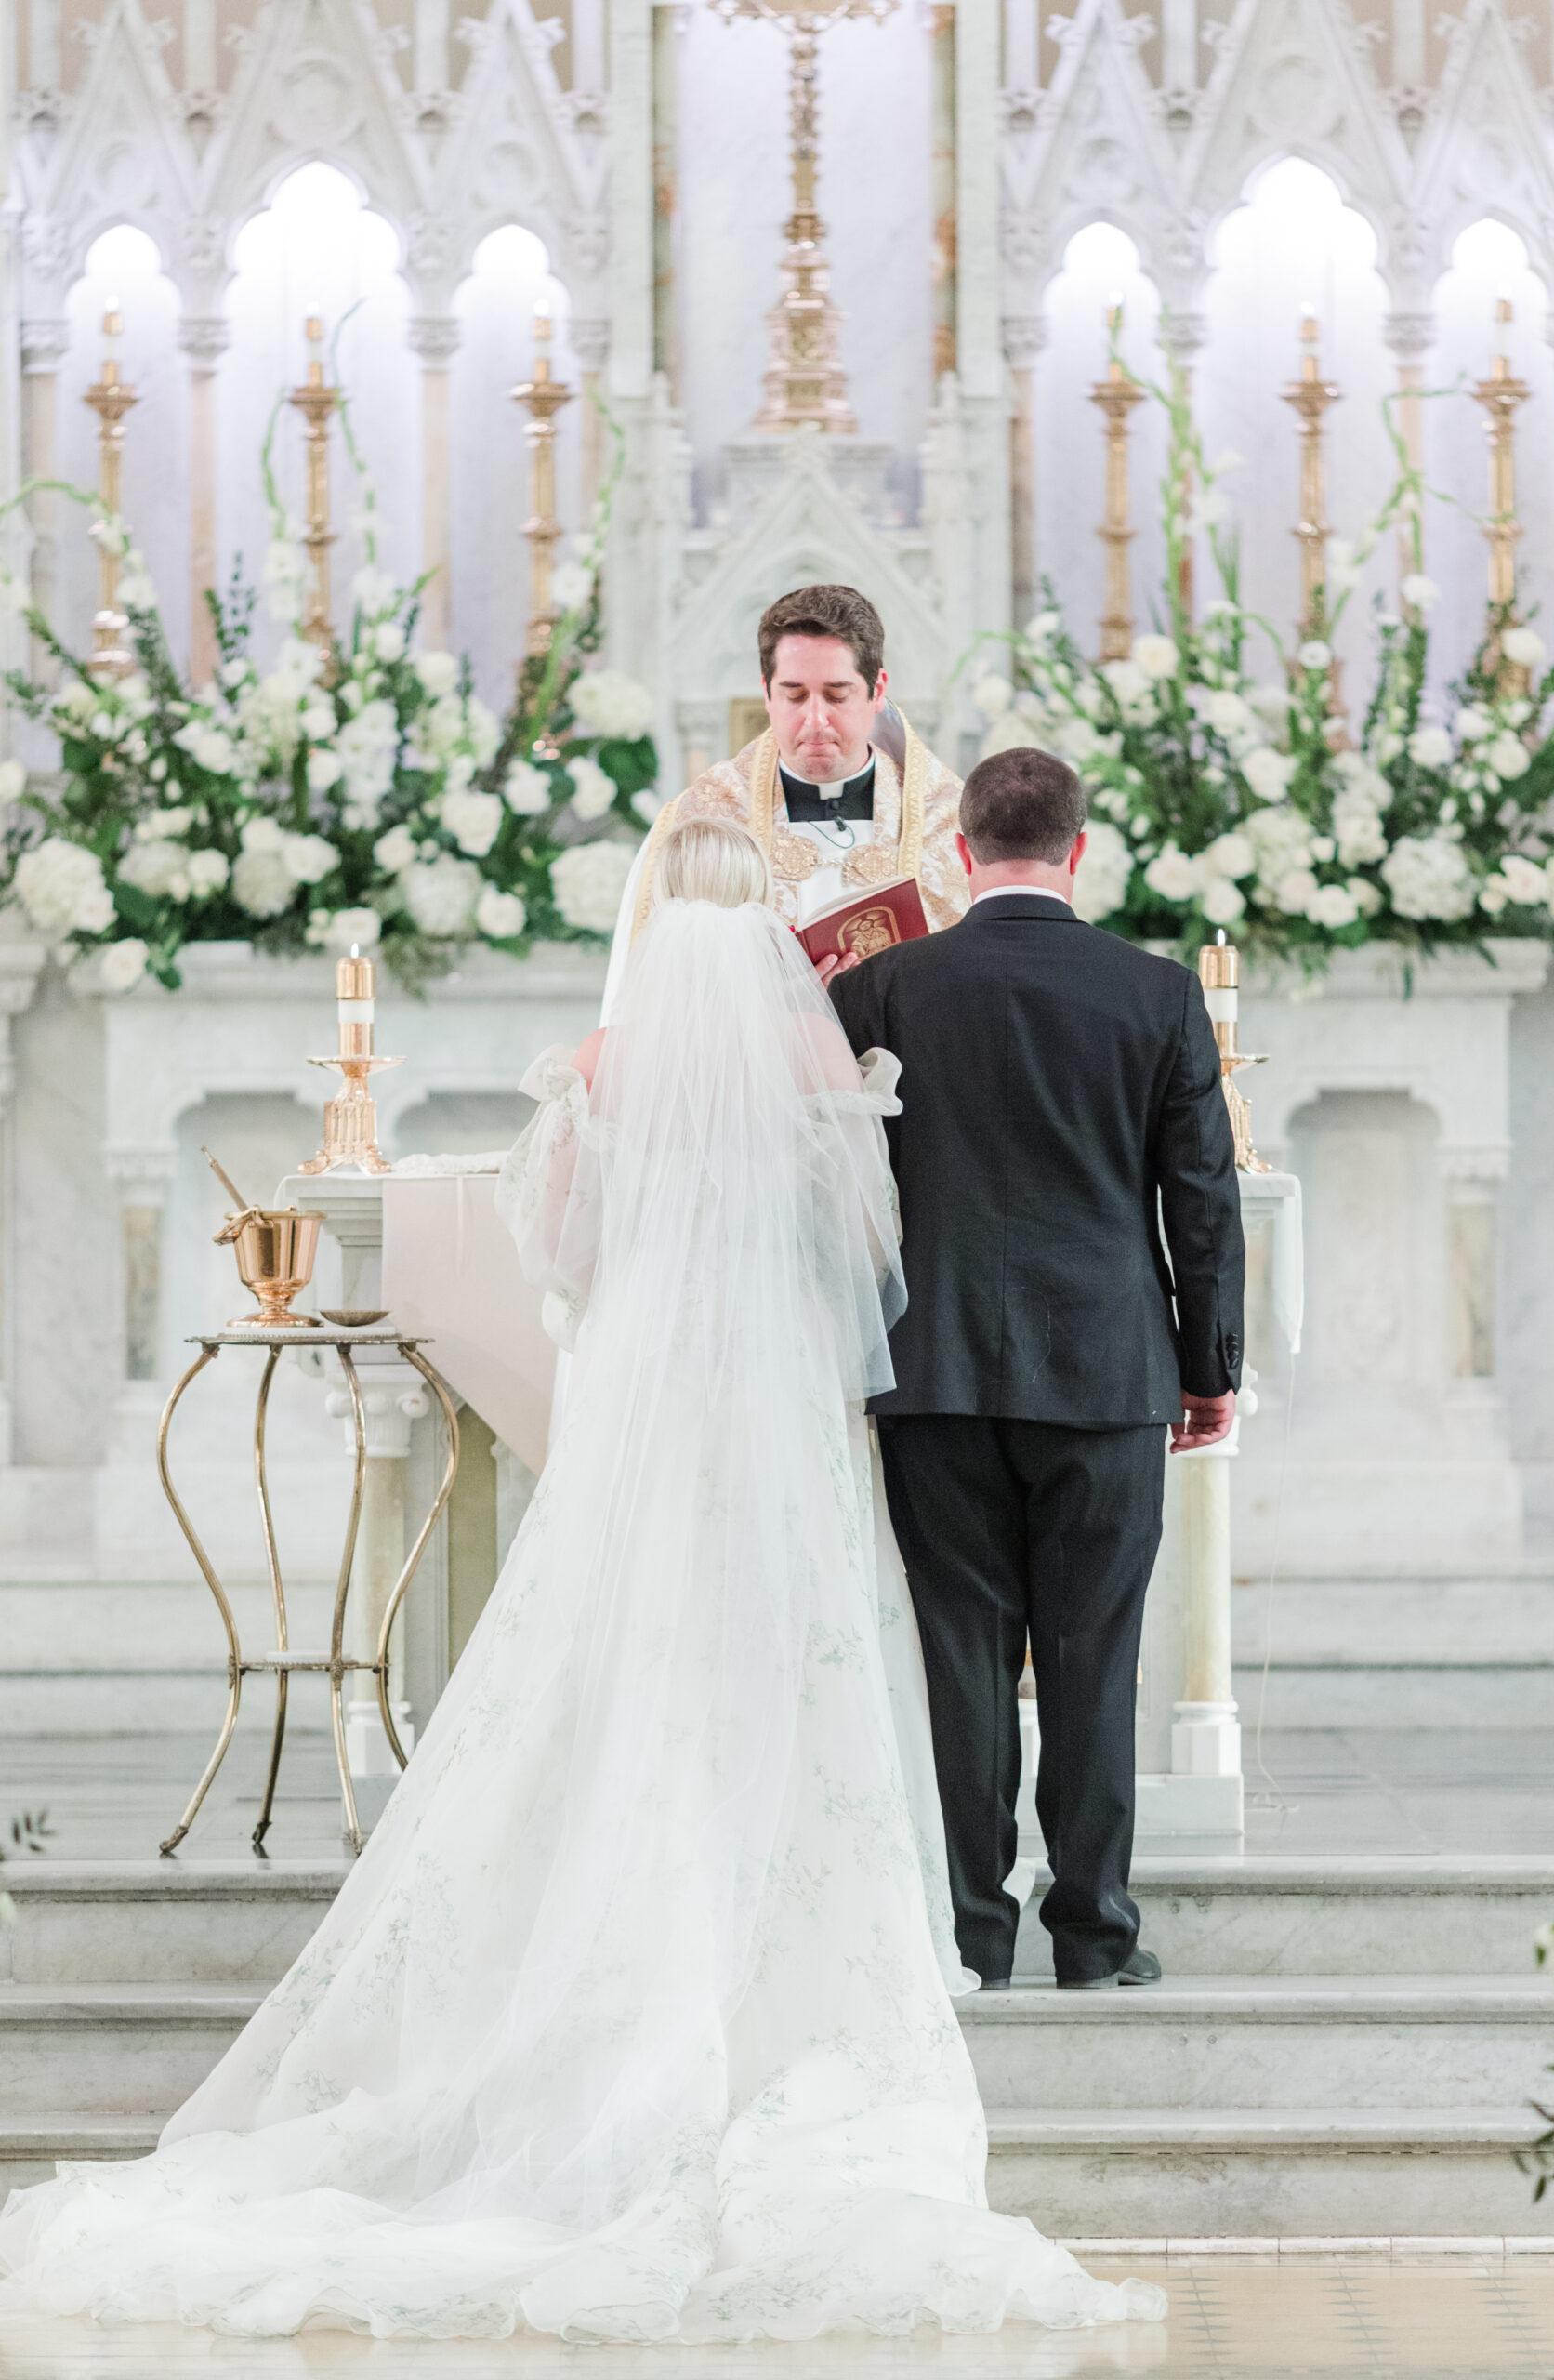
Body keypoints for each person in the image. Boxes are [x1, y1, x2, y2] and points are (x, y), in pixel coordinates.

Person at [0, 816, 1164, 2347]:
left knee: (621, 1678)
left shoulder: (599, 1071)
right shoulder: (826, 1072)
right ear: (763, 931)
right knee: (789, 1682)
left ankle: (594, 1973)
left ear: (649, 922)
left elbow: (559, 1258)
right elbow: (867, 1255)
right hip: (779, 1430)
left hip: (648, 1419)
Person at [828, 749, 1246, 1994]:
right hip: (1107, 1367)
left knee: (957, 1651)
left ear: (956, 855)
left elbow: (832, 1189)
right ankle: (1092, 1934)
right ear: (1076, 851)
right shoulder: (1156, 992)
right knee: (1090, 1653)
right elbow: (1202, 1196)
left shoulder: (882, 990)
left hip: (934, 1364)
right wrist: (1205, 1363)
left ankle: (969, 1933)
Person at [599, 584, 967, 1016]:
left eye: (836, 694)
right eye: (794, 695)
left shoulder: (948, 820)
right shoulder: (702, 820)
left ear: (877, 688)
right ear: (767, 693)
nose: (814, 719)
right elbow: (651, 1000)